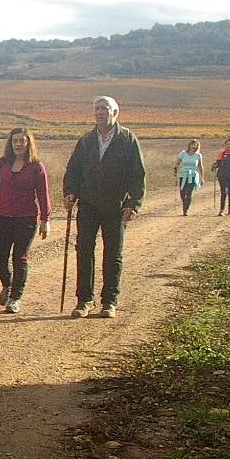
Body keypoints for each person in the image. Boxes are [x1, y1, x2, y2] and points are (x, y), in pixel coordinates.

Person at [63, 96, 146, 319]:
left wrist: (133, 203)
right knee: (84, 251)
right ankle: (84, 301)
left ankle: (109, 302)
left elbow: (137, 175)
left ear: (115, 113)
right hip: (88, 204)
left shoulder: (127, 139)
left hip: (116, 205)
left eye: (104, 109)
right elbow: (73, 171)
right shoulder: (86, 140)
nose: (100, 112)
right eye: (97, 109)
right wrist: (70, 192)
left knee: (113, 254)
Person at [0, 127, 51, 312]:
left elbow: (43, 194)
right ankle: (7, 284)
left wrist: (45, 220)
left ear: (28, 143)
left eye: (22, 141)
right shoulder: (2, 164)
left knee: (19, 258)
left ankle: (15, 298)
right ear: (10, 143)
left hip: (26, 220)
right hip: (2, 218)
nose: (18, 144)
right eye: (15, 141)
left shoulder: (36, 166)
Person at [173, 139, 204, 216]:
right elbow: (177, 163)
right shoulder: (183, 153)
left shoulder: (198, 155)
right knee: (182, 193)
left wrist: (202, 177)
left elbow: (200, 166)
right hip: (183, 174)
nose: (193, 146)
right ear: (189, 145)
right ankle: (185, 205)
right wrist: (175, 169)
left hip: (193, 175)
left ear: (197, 146)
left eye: (195, 145)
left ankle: (185, 210)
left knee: (188, 193)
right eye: (192, 144)